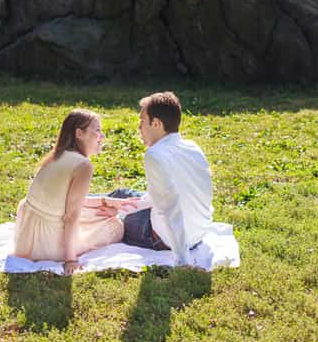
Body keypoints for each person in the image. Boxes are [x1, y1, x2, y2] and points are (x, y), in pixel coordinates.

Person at [86, 91, 214, 266]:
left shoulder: (155, 155)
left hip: (163, 238)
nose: (139, 128)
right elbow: (163, 197)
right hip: (197, 235)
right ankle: (76, 201)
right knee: (121, 195)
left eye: (142, 122)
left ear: (156, 124)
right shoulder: (193, 148)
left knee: (107, 210)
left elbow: (170, 209)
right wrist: (122, 208)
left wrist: (183, 260)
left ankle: (66, 203)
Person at [12, 109, 130, 274]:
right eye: (97, 130)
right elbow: (71, 215)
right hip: (46, 244)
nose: (102, 136)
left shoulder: (55, 156)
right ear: (79, 133)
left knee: (104, 212)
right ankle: (69, 249)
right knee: (115, 226)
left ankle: (102, 213)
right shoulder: (83, 165)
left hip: (25, 238)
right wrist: (70, 259)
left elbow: (63, 202)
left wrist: (105, 201)